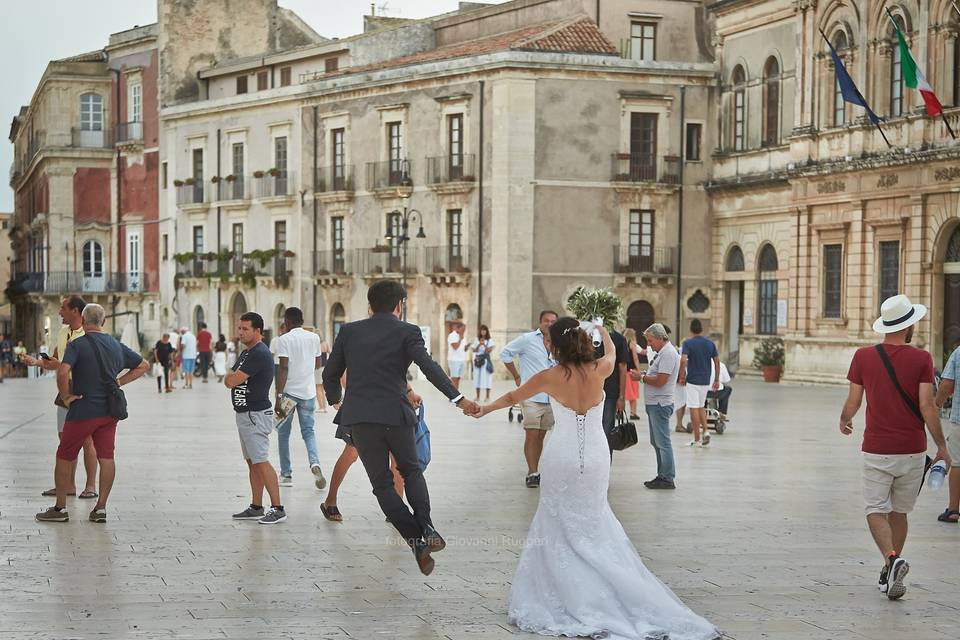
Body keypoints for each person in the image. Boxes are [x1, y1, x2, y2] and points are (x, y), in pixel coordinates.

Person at [465, 318, 719, 639]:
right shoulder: (601, 368)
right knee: (594, 518)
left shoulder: (549, 376)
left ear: (553, 345)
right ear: (584, 342)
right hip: (597, 457)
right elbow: (615, 348)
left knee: (556, 520)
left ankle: (566, 592)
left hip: (561, 456)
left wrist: (482, 409)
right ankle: (606, 585)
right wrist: (601, 331)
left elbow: (512, 398)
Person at [322, 280, 479, 575]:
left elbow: (330, 373)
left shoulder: (349, 331)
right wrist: (458, 398)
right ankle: (427, 527)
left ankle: (415, 539)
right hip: (397, 415)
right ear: (399, 305)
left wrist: (337, 403)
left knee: (382, 485)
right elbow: (428, 367)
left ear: (370, 304)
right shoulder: (408, 331)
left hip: (361, 419)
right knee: (411, 471)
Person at [839, 294, 952, 600]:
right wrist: (941, 445)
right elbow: (928, 406)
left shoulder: (863, 357)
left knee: (876, 509)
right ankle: (890, 569)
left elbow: (854, 401)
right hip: (913, 449)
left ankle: (891, 560)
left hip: (877, 447)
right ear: (910, 324)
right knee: (900, 512)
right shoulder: (922, 358)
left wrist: (844, 419)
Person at [35, 304, 149, 523]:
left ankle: (60, 509)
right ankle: (100, 508)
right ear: (103, 322)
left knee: (64, 454)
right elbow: (143, 365)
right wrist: (119, 382)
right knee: (106, 456)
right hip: (110, 411)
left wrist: (66, 395)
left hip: (83, 410)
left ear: (85, 321)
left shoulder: (77, 345)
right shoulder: (116, 345)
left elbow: (63, 371)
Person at [22, 296, 99, 500]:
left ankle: (90, 486)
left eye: (63, 308)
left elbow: (84, 364)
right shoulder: (63, 332)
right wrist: (37, 363)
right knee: (64, 438)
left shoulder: (88, 333)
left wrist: (61, 366)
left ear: (75, 311)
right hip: (64, 389)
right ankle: (68, 485)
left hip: (83, 389)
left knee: (87, 440)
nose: (59, 312)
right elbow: (57, 360)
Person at [226, 312, 288, 525]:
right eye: (239, 328)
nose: (240, 332)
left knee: (261, 460)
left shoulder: (259, 353)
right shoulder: (247, 353)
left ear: (258, 331)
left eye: (245, 329)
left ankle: (278, 508)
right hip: (245, 414)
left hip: (255, 415)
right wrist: (232, 378)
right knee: (252, 461)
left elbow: (232, 380)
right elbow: (231, 376)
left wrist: (232, 379)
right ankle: (256, 506)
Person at [500, 310, 558, 488]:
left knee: (541, 435)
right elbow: (505, 353)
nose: (549, 324)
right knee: (531, 434)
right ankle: (532, 472)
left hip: (552, 397)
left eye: (553, 321)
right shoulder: (528, 339)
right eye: (546, 321)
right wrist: (517, 376)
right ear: (540, 323)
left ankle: (536, 468)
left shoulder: (560, 343)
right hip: (531, 396)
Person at [274, 307, 326, 489]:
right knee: (308, 432)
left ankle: (286, 474)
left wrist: (278, 396)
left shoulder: (284, 339)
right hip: (308, 392)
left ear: (287, 322)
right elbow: (318, 363)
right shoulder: (314, 338)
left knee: (283, 432)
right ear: (302, 320)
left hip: (288, 393)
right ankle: (315, 463)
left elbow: (283, 368)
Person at [633, 323, 681, 490]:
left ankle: (667, 477)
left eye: (651, 340)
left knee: (663, 442)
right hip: (655, 403)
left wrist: (641, 377)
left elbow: (661, 381)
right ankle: (662, 475)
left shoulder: (668, 354)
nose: (649, 344)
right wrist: (645, 376)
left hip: (660, 404)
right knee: (657, 442)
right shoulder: (663, 353)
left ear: (661, 338)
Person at [678, 319, 719, 447]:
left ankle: (697, 439)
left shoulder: (688, 343)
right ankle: (705, 431)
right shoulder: (710, 344)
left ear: (691, 329)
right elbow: (717, 362)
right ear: (702, 329)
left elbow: (684, 360)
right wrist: (717, 379)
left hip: (693, 380)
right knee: (701, 406)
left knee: (693, 408)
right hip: (705, 380)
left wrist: (681, 376)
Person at [935, 344, 960, 524]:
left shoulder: (959, 353)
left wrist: (936, 404)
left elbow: (947, 384)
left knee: (958, 463)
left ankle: (953, 510)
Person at [470, 324, 496, 402]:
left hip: (486, 361)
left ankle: (487, 397)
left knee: (487, 378)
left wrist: (484, 344)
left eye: (484, 330)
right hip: (478, 361)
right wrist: (479, 344)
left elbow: (489, 351)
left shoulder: (489, 340)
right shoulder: (476, 339)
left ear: (486, 331)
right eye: (482, 330)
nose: (483, 332)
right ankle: (477, 396)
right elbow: (474, 350)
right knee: (477, 378)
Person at [623, 328, 642, 419]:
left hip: (624, 371)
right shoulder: (632, 344)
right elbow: (635, 358)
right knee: (633, 394)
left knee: (622, 393)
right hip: (632, 371)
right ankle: (633, 413)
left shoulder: (623, 344)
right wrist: (639, 370)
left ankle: (618, 412)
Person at [446, 321, 467, 390]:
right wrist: (460, 339)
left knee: (458, 378)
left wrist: (467, 347)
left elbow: (463, 349)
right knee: (454, 378)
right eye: (463, 329)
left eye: (464, 329)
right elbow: (455, 347)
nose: (464, 330)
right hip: (454, 360)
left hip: (462, 359)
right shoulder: (452, 335)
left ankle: (456, 394)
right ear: (458, 328)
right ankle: (452, 394)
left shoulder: (463, 336)